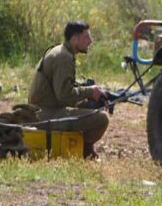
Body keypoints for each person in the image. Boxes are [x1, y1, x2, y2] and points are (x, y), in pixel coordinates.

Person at [28, 21, 110, 158]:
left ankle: (84, 149)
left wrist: (89, 93)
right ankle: (83, 149)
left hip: (44, 110)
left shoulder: (60, 51)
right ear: (74, 39)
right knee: (102, 119)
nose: (90, 41)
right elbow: (65, 96)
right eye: (86, 37)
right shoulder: (64, 57)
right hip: (46, 114)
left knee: (91, 106)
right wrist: (90, 91)